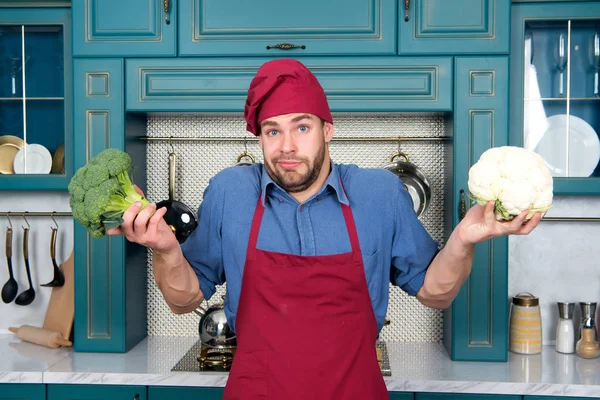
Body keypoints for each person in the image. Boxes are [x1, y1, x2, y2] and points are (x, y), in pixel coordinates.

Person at [107, 58, 543, 400]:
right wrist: (165, 250)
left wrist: (464, 240)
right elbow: (185, 301)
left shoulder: (380, 193)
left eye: (302, 127)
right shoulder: (230, 191)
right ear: (259, 138)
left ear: (327, 130)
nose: (287, 147)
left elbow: (435, 292)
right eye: (272, 131)